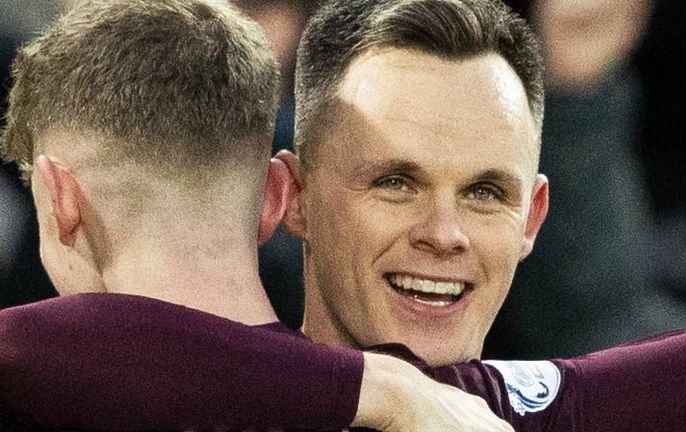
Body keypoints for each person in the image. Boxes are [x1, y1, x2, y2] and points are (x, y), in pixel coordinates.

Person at [3, 0, 686, 431]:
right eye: (395, 182)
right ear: (289, 197)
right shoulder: (108, 398)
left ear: (534, 218)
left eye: (485, 192)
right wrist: (382, 391)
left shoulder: (503, 407)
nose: (445, 233)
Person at [0, 1, 515, 431]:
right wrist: (384, 387)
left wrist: (377, 388)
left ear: (59, 200)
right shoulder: (454, 407)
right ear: (277, 198)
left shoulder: (27, 387)